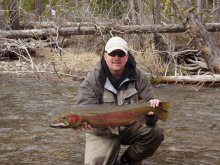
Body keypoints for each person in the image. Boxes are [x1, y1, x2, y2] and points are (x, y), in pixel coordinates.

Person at [77, 36, 164, 165]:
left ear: (127, 56)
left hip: (130, 127)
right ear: (105, 56)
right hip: (103, 132)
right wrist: (85, 122)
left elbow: (151, 118)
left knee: (155, 132)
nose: (116, 58)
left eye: (121, 54)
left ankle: (128, 160)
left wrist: (152, 114)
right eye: (112, 53)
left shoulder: (139, 76)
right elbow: (84, 108)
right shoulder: (92, 79)